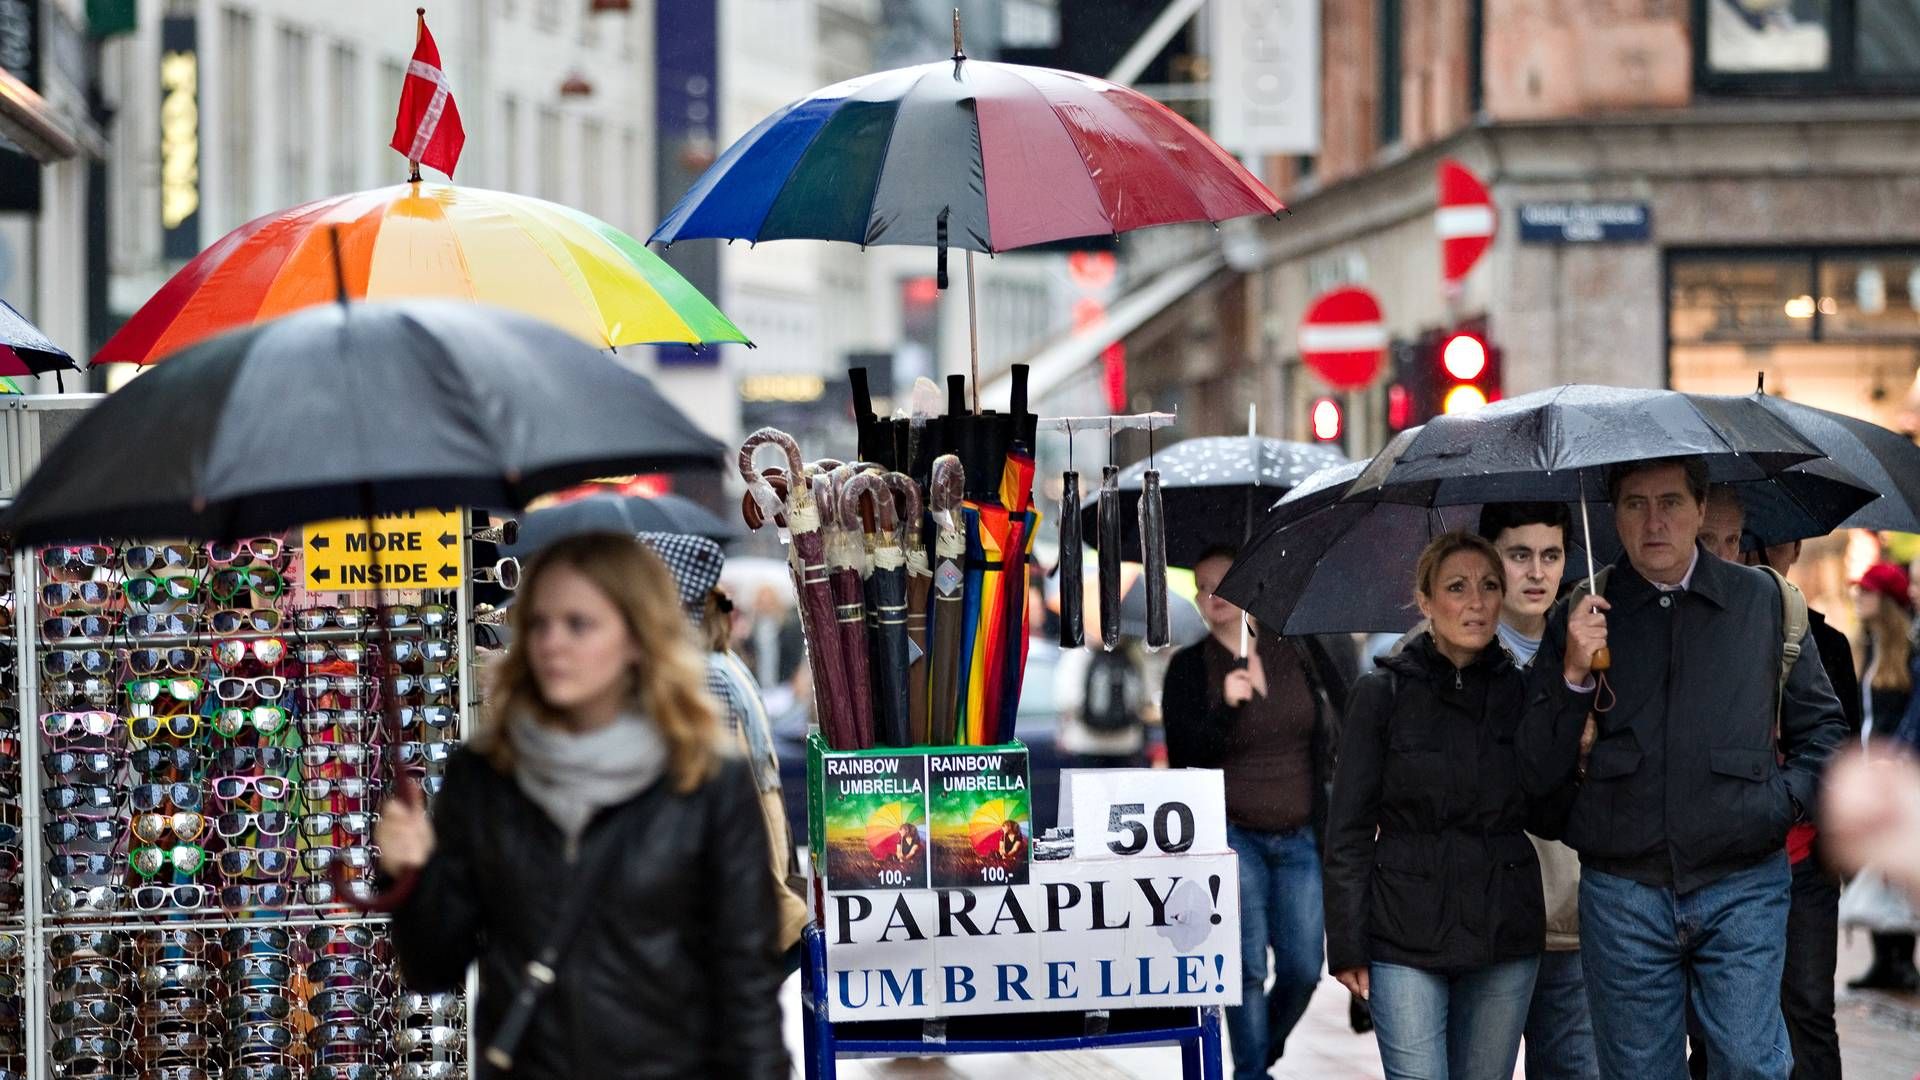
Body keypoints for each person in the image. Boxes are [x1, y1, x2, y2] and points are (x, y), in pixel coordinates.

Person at [375, 532, 787, 1079]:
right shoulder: (486, 777)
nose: (552, 643)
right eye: (539, 624)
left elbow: (746, 987)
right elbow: (433, 963)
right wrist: (409, 877)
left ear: (638, 638)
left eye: (579, 624)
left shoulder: (707, 782)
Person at [1519, 457, 1847, 1080]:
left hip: (1743, 881)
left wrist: (1779, 804)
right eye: (1635, 504)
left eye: (1669, 502)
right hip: (1624, 891)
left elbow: (1824, 732)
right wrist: (1570, 675)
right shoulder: (1581, 614)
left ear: (1700, 510)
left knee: (1751, 1063)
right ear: (1613, 517)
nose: (1654, 521)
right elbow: (1536, 772)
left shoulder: (1764, 604)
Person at [1324, 531, 1552, 1080]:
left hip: (1504, 929)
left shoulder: (1525, 694)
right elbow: (1348, 831)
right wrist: (1348, 943)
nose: (1475, 602)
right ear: (1425, 602)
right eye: (1457, 587)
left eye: (1489, 586)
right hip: (1403, 931)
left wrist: (1573, 716)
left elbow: (1553, 810)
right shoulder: (1382, 694)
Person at [1165, 544, 1343, 1079]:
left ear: (1250, 588)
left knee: (1303, 967)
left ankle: (1254, 1062)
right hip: (1231, 836)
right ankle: (1251, 1072)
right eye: (1200, 586)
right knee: (1242, 969)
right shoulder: (1189, 668)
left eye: (1221, 583)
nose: (1209, 596)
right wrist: (1224, 707)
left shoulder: (1301, 651)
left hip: (1301, 834)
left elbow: (1344, 714)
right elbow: (1183, 758)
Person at [1476, 502, 1598, 1080]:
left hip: (1570, 910)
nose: (1536, 572)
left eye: (1550, 556)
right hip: (1483, 915)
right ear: (1491, 560)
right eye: (1519, 555)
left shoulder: (1593, 648)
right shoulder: (1449, 651)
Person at [1844, 561, 1918, 992]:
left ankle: (1902, 959)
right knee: (1872, 861)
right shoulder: (1868, 646)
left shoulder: (1906, 651)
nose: (1858, 597)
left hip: (1897, 772)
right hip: (1869, 768)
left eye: (1867, 591)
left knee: (1897, 863)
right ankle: (1881, 959)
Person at [1053, 629, 1150, 769]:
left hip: (1086, 743)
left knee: (1087, 790)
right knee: (1121, 789)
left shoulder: (1078, 653)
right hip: (1126, 743)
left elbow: (1066, 700)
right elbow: (1145, 697)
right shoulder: (1133, 653)